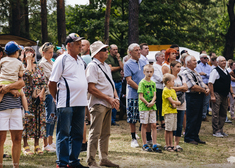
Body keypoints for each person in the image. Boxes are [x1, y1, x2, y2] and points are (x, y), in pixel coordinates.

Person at [49, 33, 88, 168]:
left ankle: (73, 161)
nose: (80, 46)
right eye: (77, 44)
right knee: (64, 133)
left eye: (80, 44)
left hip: (80, 102)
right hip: (66, 102)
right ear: (69, 45)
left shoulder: (81, 61)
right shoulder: (62, 59)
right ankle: (62, 162)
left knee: (77, 133)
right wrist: (56, 98)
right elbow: (52, 83)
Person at [86, 41, 119, 168]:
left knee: (105, 133)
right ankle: (91, 160)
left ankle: (103, 158)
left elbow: (111, 84)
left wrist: (115, 98)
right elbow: (91, 88)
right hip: (98, 104)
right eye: (104, 50)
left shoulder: (105, 65)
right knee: (95, 132)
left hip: (108, 103)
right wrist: (109, 99)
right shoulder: (92, 66)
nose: (107, 51)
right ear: (97, 53)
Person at [0, 42, 25, 168]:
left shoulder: (11, 63)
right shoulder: (5, 63)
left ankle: (16, 166)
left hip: (15, 106)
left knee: (18, 138)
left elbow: (22, 83)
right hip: (2, 107)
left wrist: (8, 88)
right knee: (0, 139)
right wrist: (12, 89)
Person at [22, 47, 47, 155]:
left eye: (32, 54)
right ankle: (25, 145)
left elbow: (44, 82)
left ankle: (37, 144)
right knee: (27, 121)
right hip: (26, 96)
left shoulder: (40, 67)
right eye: (27, 54)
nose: (30, 56)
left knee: (38, 119)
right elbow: (28, 74)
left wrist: (41, 93)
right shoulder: (22, 67)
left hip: (38, 97)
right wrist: (28, 61)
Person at [182, 55, 209, 145]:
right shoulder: (186, 72)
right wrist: (204, 90)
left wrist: (207, 88)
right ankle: (189, 137)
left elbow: (202, 83)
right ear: (188, 63)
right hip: (192, 96)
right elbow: (193, 86)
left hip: (199, 96)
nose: (195, 62)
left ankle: (195, 136)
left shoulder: (195, 72)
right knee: (192, 117)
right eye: (193, 61)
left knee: (198, 117)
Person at [124, 43, 146, 148]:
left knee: (145, 116)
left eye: (139, 50)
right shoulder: (127, 64)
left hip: (145, 94)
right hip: (133, 94)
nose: (139, 52)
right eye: (136, 50)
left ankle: (147, 138)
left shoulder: (143, 61)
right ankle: (133, 138)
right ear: (130, 52)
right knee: (132, 118)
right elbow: (129, 80)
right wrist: (141, 90)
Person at [138, 64, 162, 153]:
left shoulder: (153, 83)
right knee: (144, 125)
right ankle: (144, 144)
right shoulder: (142, 82)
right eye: (147, 72)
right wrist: (147, 103)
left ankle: (154, 144)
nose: (149, 73)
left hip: (152, 106)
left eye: (151, 72)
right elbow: (141, 96)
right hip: (144, 107)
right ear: (144, 72)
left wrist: (152, 102)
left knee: (154, 125)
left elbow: (155, 95)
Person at [209, 56, 234, 138]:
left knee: (223, 112)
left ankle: (220, 129)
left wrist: (232, 93)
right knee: (216, 112)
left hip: (225, 95)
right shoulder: (215, 71)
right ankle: (216, 130)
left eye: (224, 61)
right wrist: (212, 95)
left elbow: (229, 83)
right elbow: (210, 83)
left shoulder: (226, 71)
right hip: (217, 93)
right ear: (218, 62)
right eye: (222, 61)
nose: (224, 62)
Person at [38, 42, 56, 152]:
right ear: (43, 53)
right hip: (48, 93)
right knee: (48, 118)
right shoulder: (42, 63)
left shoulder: (51, 62)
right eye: (49, 52)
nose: (52, 54)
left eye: (52, 52)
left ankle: (50, 140)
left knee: (53, 118)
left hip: (53, 92)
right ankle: (45, 144)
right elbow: (51, 76)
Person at [170, 61, 188, 151]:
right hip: (171, 103)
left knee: (179, 124)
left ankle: (176, 144)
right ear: (172, 67)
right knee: (172, 124)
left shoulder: (182, 77)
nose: (179, 68)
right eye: (177, 66)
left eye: (180, 67)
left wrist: (175, 88)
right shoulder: (168, 77)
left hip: (181, 103)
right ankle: (170, 143)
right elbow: (168, 89)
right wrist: (180, 88)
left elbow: (186, 88)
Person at [162, 73, 181, 152]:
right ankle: (167, 145)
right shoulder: (165, 90)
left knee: (172, 129)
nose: (174, 82)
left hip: (174, 111)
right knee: (168, 129)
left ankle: (172, 144)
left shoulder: (173, 90)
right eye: (173, 81)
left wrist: (176, 103)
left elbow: (176, 101)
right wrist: (177, 103)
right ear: (168, 82)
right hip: (168, 111)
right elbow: (172, 101)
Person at [105, 44, 123, 125]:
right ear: (110, 50)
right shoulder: (108, 58)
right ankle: (110, 120)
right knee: (112, 101)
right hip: (112, 82)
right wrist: (119, 67)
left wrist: (119, 60)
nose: (116, 51)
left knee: (117, 101)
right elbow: (110, 69)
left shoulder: (118, 58)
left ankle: (114, 119)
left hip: (119, 81)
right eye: (114, 49)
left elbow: (123, 67)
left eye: (117, 49)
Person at [195, 54, 211, 122]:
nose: (206, 59)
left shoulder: (209, 67)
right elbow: (198, 76)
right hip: (200, 85)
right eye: (204, 58)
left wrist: (205, 74)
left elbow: (211, 75)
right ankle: (198, 115)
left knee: (206, 101)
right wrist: (206, 75)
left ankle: (203, 116)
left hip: (208, 85)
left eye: (207, 58)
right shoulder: (197, 66)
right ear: (201, 59)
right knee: (199, 101)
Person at [151, 52, 165, 129]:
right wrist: (167, 80)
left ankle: (162, 120)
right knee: (156, 105)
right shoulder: (155, 66)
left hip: (163, 87)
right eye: (161, 56)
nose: (163, 57)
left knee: (162, 105)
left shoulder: (163, 65)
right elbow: (158, 78)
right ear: (157, 58)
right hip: (157, 87)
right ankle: (155, 121)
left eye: (164, 56)